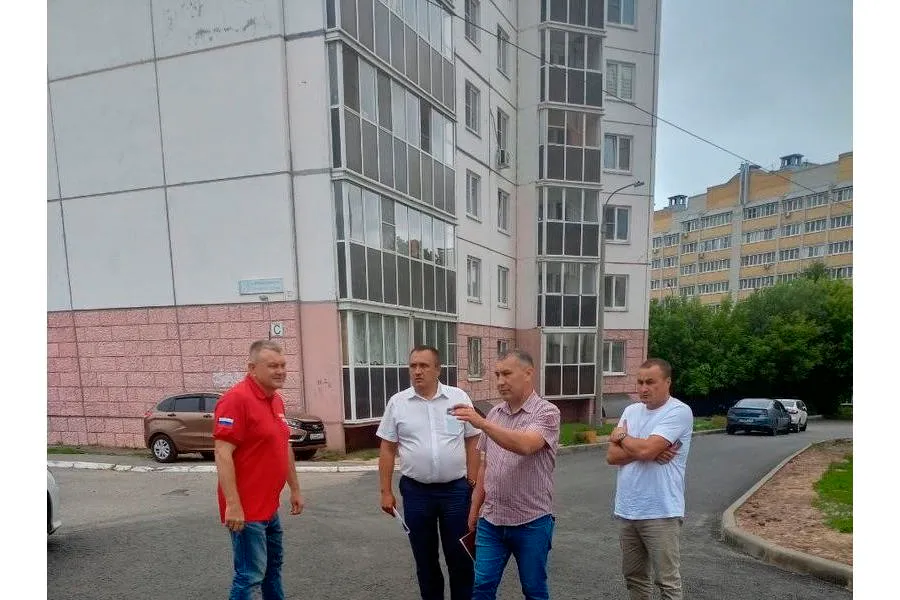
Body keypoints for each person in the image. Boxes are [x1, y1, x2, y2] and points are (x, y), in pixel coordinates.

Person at [451, 349, 560, 600]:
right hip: (491, 520)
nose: (500, 381)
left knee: (533, 590)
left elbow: (526, 445)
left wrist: (482, 423)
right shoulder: (495, 413)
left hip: (531, 521)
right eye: (497, 374)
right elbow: (486, 465)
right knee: (482, 586)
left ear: (528, 373)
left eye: (507, 374)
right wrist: (474, 508)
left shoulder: (547, 412)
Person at [377, 345, 482, 600]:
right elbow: (388, 448)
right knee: (425, 559)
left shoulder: (458, 397)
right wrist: (385, 492)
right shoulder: (398, 403)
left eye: (424, 366)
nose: (417, 371)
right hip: (416, 493)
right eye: (413, 366)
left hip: (456, 492)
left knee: (461, 557)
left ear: (438, 369)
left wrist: (472, 481)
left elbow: (473, 440)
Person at [213, 340, 304, 600]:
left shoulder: (276, 401)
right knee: (249, 576)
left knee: (272, 570)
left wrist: (295, 489)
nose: (280, 371)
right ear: (252, 368)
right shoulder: (236, 400)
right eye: (272, 366)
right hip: (246, 511)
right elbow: (222, 453)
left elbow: (283, 447)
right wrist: (233, 505)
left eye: (283, 365)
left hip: (269, 507)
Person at [606, 358, 694, 600]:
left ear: (667, 382)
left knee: (667, 581)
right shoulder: (631, 411)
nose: (644, 388)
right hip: (628, 509)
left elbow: (644, 450)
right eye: (640, 382)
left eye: (650, 382)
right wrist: (648, 450)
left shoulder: (678, 411)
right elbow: (612, 456)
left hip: (661, 511)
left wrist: (622, 438)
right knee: (634, 577)